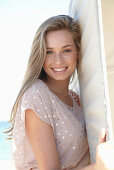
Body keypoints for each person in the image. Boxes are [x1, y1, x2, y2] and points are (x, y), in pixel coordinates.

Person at [7, 15, 114, 170]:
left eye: (66, 50)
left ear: (77, 52)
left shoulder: (75, 98)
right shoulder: (36, 95)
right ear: (41, 55)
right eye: (49, 52)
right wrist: (99, 166)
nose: (58, 60)